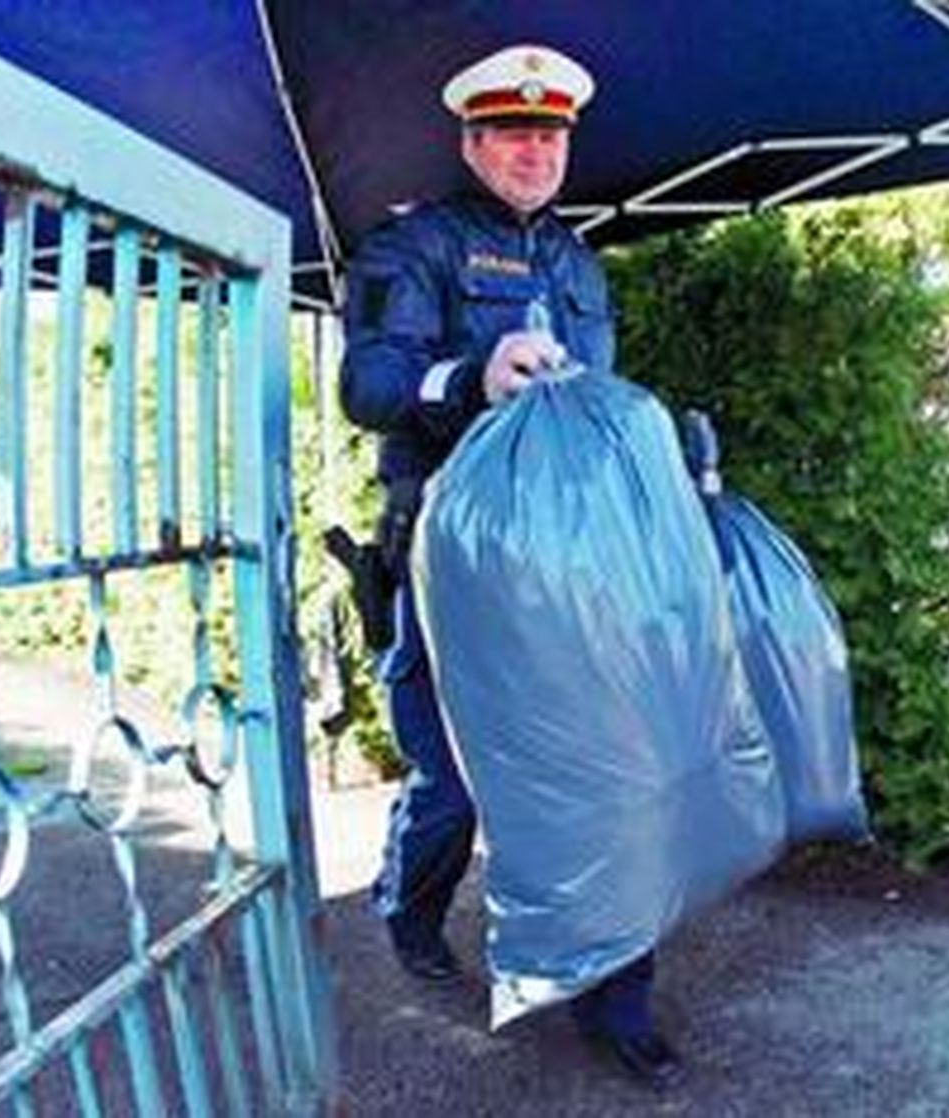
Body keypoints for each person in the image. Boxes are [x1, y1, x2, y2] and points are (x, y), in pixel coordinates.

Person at [338, 44, 684, 1091]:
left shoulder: (578, 265)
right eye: (513, 132)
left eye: (550, 134)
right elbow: (366, 382)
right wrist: (467, 374)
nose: (534, 150)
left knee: (601, 771)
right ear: (472, 141)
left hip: (562, 562)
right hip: (445, 553)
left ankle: (613, 994)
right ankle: (408, 905)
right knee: (447, 777)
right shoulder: (417, 244)